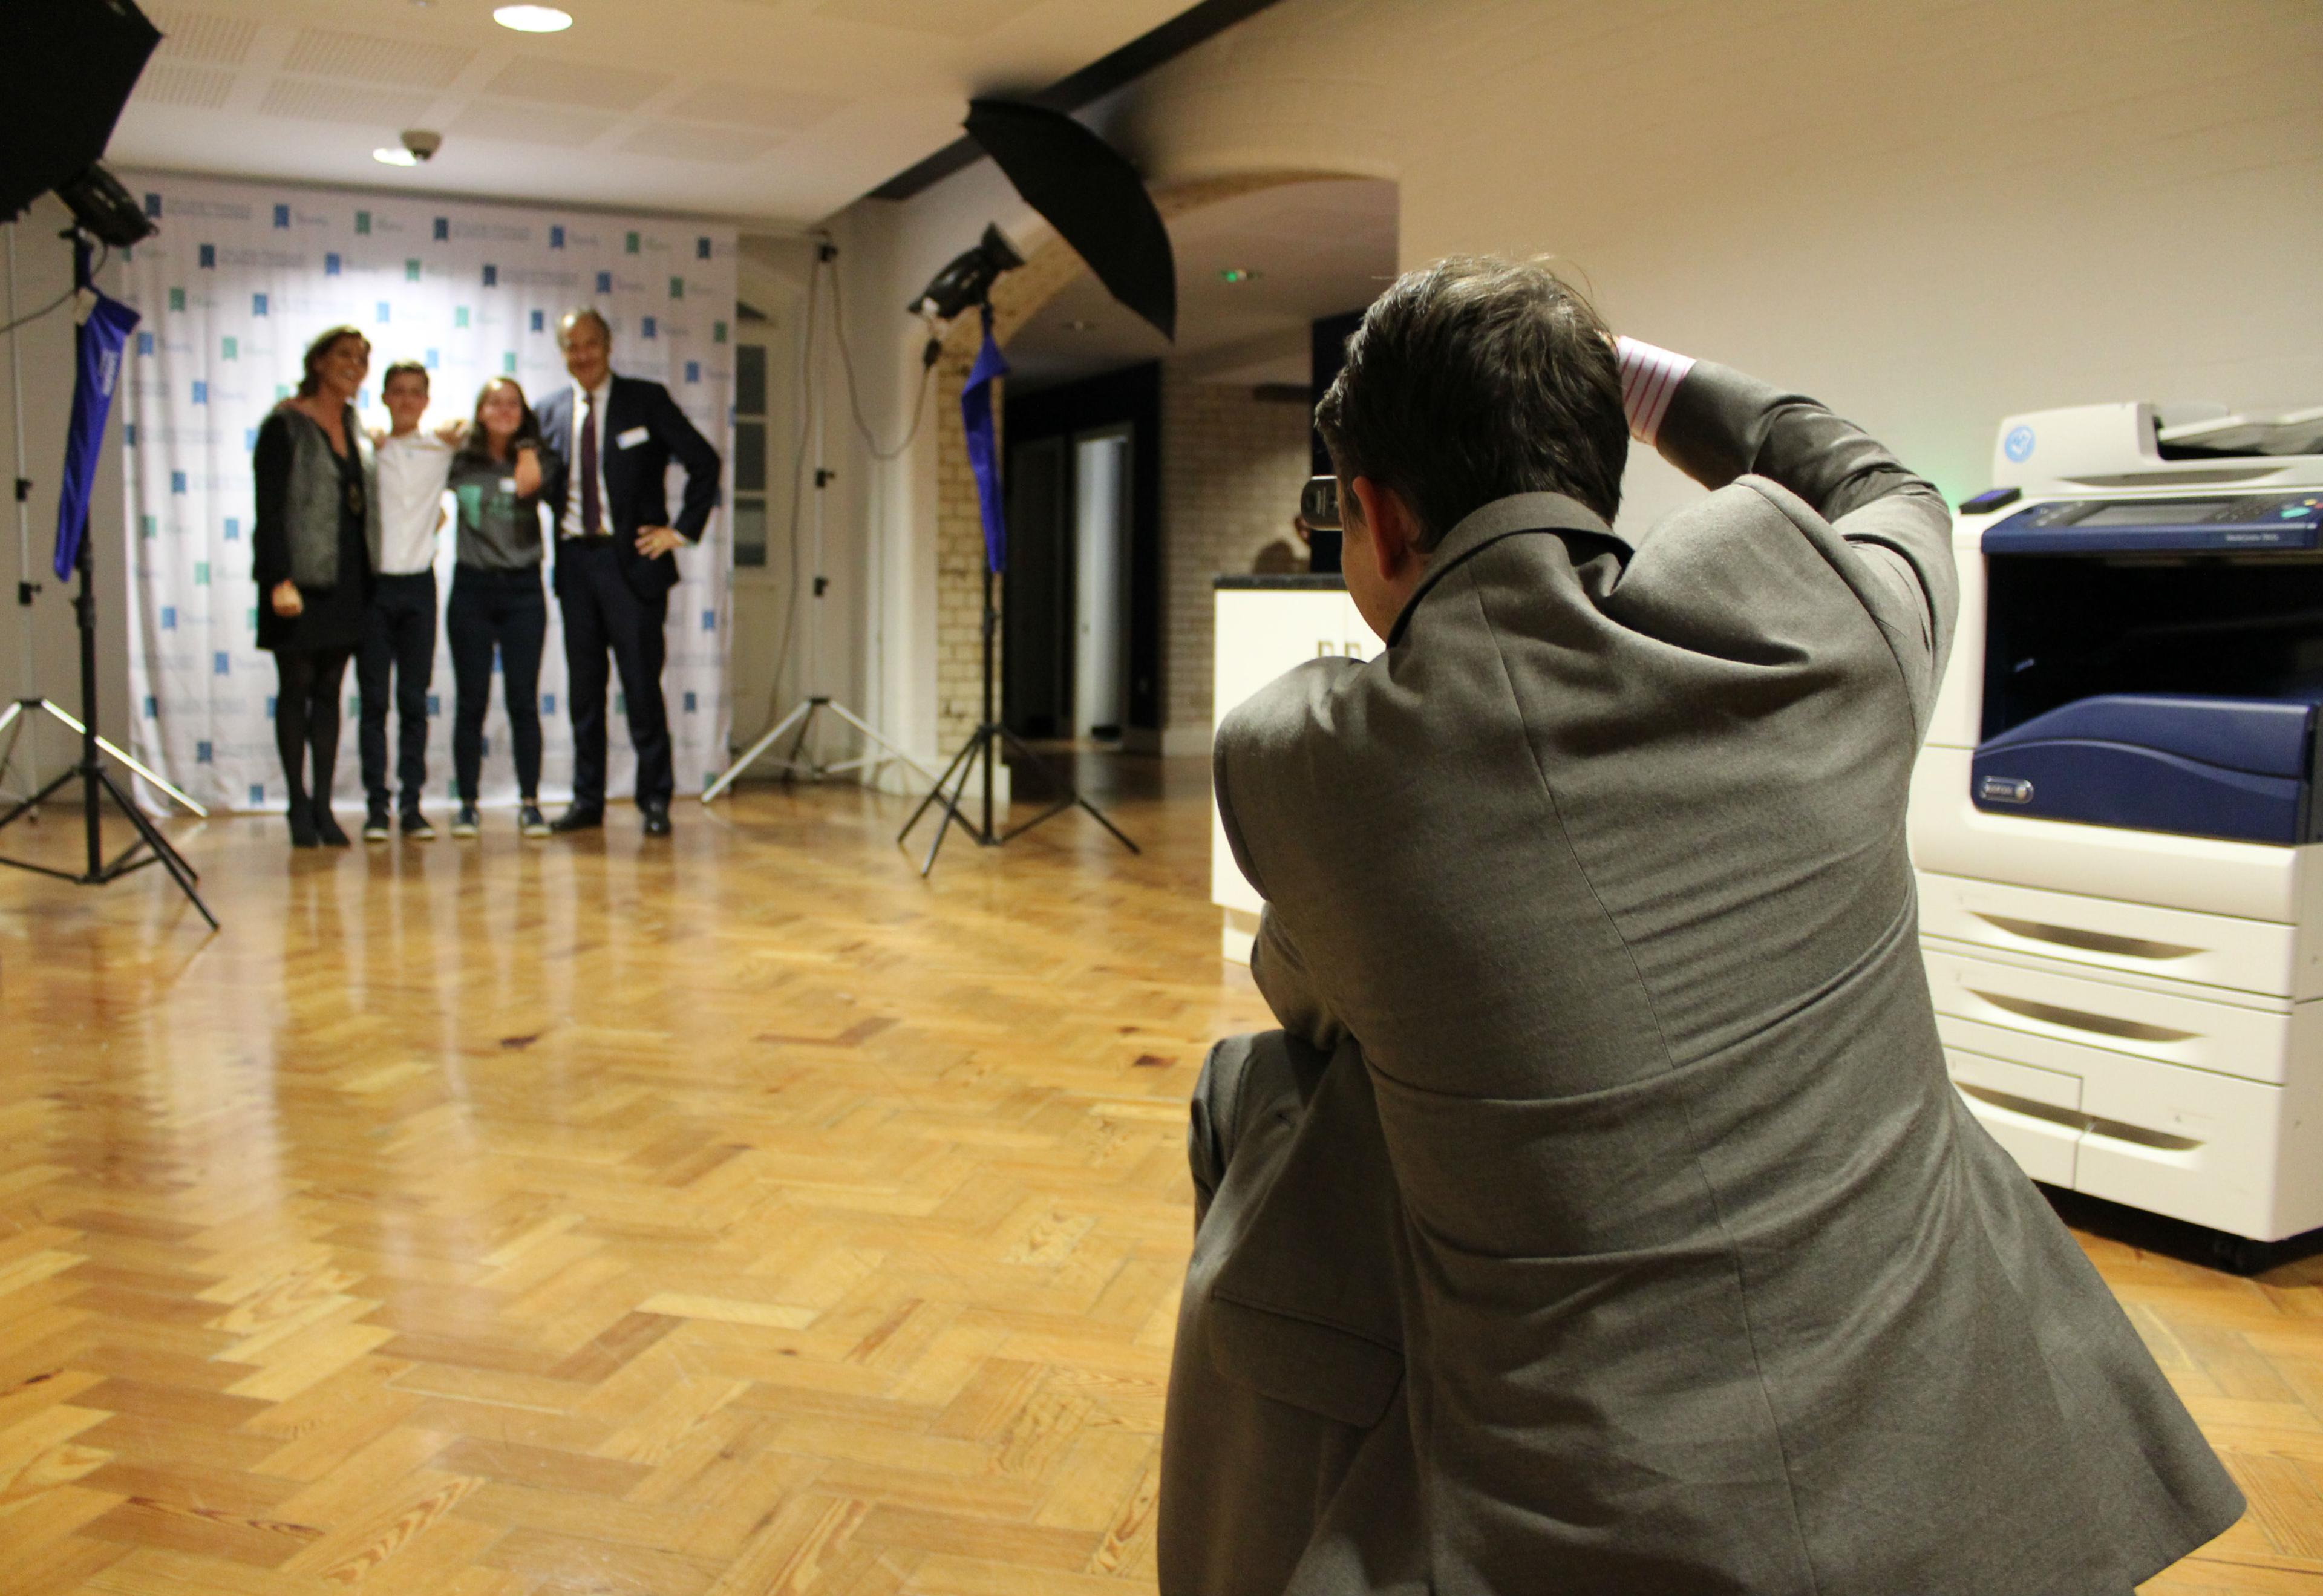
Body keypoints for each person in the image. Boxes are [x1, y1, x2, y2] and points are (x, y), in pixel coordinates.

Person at [1162, 258, 2244, 1594]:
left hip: (1583, 1517)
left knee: (1259, 1093)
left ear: (1373, 517)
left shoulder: (1304, 761)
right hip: (1962, 1443)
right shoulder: (1817, 635)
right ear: (1600, 461)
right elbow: (1891, 488)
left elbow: (1314, 1003)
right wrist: (1640, 377)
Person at [532, 307, 720, 837]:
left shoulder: (646, 399)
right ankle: (587, 800)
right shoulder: (547, 412)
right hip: (575, 565)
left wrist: (678, 531)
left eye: (590, 344)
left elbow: (704, 461)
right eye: (572, 346)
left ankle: (655, 798)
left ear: (609, 346)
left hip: (633, 565)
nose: (582, 355)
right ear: (563, 353)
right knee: (585, 693)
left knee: (641, 686)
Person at [252, 325, 377, 849]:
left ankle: (325, 805)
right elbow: (270, 509)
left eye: (363, 358)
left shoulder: (357, 425)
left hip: (349, 577)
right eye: (345, 355)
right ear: (319, 361)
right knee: (297, 687)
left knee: (330, 691)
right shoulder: (284, 425)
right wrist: (278, 578)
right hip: (298, 579)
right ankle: (297, 806)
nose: (355, 364)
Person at [444, 377, 552, 839]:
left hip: (524, 591)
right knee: (472, 702)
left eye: (513, 404)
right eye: (494, 403)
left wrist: (526, 448)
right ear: (480, 410)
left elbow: (536, 484)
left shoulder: (538, 458)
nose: (504, 410)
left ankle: (530, 803)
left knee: (523, 701)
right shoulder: (460, 460)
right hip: (472, 589)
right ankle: (467, 804)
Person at [358, 362, 451, 841]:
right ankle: (377, 807)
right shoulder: (369, 448)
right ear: (386, 398)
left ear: (427, 400)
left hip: (419, 586)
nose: (408, 400)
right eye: (399, 392)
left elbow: (486, 432)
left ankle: (412, 806)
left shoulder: (442, 449)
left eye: (417, 392)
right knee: (374, 703)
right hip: (374, 588)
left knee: (414, 702)